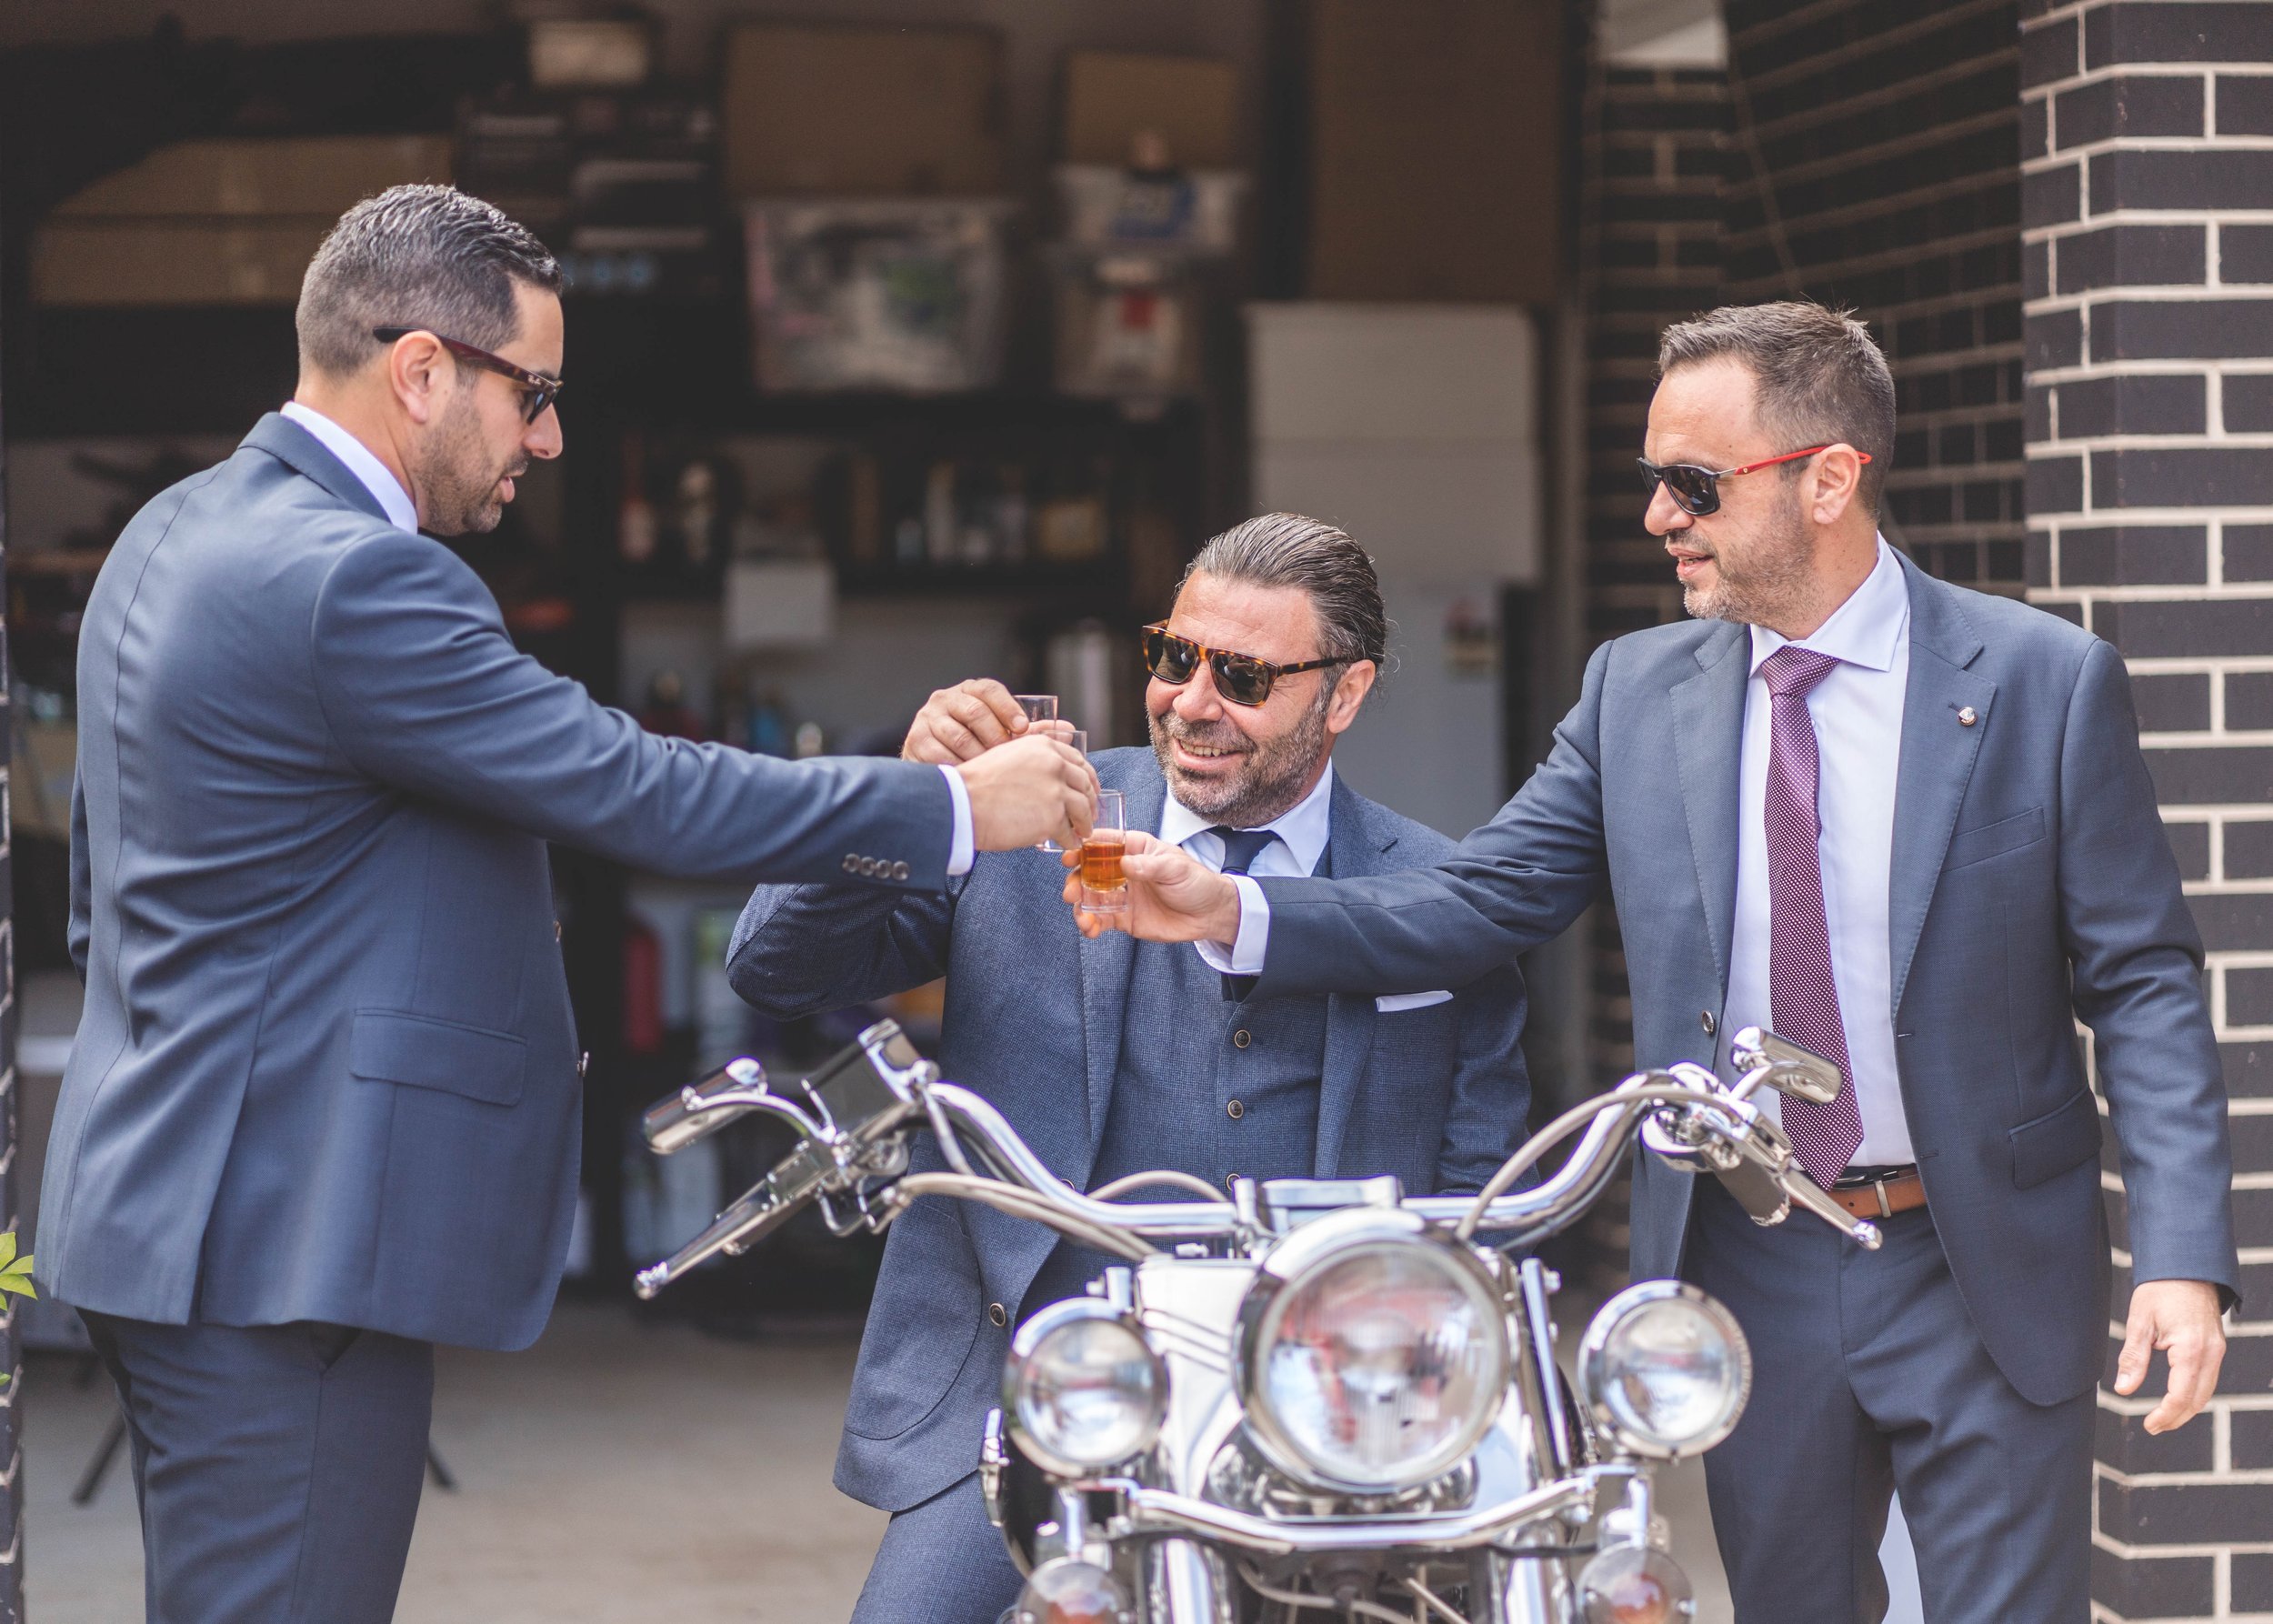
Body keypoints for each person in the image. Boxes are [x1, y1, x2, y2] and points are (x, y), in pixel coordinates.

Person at [1079, 304, 2237, 1623]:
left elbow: (2142, 981)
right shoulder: (1635, 691)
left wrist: (2180, 1253)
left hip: (1980, 1254)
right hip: (1753, 1256)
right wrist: (1231, 911)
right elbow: (1478, 899)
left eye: (1693, 483)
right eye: (1653, 481)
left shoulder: (2043, 680)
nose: (1657, 517)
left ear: (1828, 478)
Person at [38, 184, 1093, 1624]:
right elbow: (637, 788)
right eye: (532, 394)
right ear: (422, 370)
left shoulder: (168, 534)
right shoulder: (360, 581)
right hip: (286, 1241)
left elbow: (102, 896)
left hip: (162, 1201)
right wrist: (957, 809)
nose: (548, 439)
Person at [729, 514, 1531, 1624]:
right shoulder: (1027, 819)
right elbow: (774, 967)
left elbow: (1484, 1203)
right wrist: (913, 797)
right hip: (1034, 1396)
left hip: (1326, 1420)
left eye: (1243, 675)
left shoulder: (1434, 891)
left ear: (1343, 695)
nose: (1192, 702)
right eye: (1174, 656)